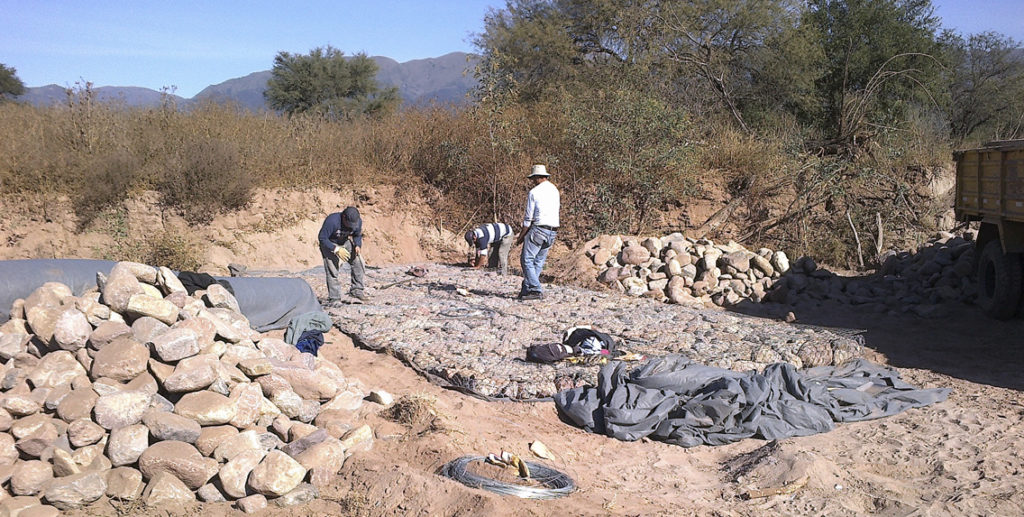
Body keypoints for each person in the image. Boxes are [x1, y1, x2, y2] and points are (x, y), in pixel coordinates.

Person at [515, 164, 560, 300]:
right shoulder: (555, 190)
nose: (532, 181)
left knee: (526, 259)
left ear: (537, 177)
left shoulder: (534, 192)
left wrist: (521, 236)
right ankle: (527, 289)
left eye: (533, 178)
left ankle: (535, 289)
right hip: (553, 230)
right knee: (538, 261)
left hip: (539, 228)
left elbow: (528, 218)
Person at [318, 206, 368, 304]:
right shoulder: (332, 221)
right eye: (349, 223)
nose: (351, 226)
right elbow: (322, 238)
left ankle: (357, 290)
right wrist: (335, 249)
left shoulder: (358, 222)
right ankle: (334, 298)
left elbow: (357, 235)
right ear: (343, 217)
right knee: (332, 270)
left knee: (358, 262)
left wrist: (358, 245)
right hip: (330, 244)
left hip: (345, 242)